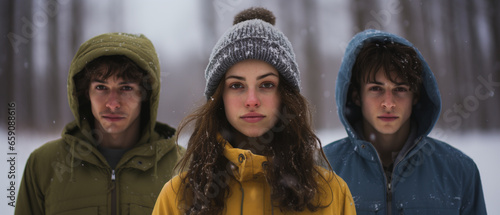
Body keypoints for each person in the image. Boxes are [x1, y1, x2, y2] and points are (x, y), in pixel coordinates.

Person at [152, 7, 356, 215]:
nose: (251, 100)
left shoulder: (332, 195)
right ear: (219, 97)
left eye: (266, 85)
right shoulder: (177, 199)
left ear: (286, 95)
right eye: (236, 85)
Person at [15, 32, 184, 215]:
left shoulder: (182, 166)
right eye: (101, 88)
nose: (113, 103)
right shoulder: (44, 165)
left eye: (126, 88)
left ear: (145, 95)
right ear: (85, 93)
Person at [323, 29, 487, 214]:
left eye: (400, 89)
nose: (388, 103)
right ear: (357, 96)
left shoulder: (459, 171)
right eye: (376, 88)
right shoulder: (323, 170)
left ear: (415, 96)